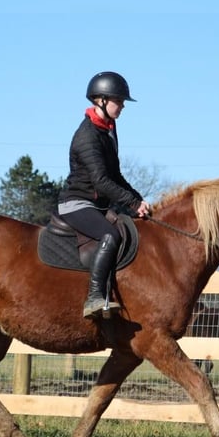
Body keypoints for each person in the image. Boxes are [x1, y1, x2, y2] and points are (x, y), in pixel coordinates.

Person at [58, 71, 152, 318]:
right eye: (118, 101)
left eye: (122, 102)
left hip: (97, 205)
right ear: (101, 100)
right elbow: (100, 180)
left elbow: (116, 175)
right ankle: (94, 297)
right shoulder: (87, 136)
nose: (121, 106)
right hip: (76, 204)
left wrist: (138, 200)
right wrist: (131, 202)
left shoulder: (108, 130)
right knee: (110, 234)